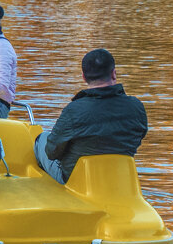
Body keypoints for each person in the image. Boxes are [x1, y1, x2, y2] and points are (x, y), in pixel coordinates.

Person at [34, 48, 147, 184]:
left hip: (80, 181)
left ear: (84, 77)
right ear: (114, 74)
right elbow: (138, 137)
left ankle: (49, 191)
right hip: (119, 178)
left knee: (41, 140)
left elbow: (51, 152)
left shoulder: (74, 110)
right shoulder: (137, 107)